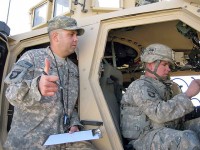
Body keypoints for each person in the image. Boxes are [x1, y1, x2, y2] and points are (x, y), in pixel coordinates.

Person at [4, 15, 96, 150]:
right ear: (55, 37)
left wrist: (74, 124)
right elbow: (11, 93)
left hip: (60, 142)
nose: (76, 39)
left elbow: (70, 106)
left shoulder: (73, 69)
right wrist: (36, 87)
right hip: (29, 144)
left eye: (76, 35)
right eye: (71, 34)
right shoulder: (32, 57)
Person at [120, 43, 200, 150]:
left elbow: (175, 113)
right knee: (186, 140)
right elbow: (159, 114)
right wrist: (188, 94)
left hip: (168, 129)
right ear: (151, 64)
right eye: (164, 64)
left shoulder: (165, 87)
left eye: (169, 65)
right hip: (145, 138)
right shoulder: (139, 86)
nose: (168, 69)